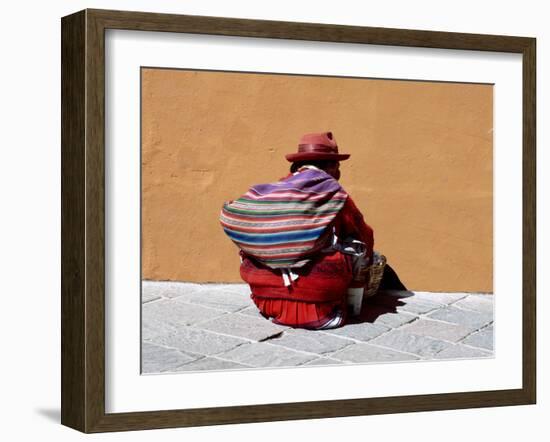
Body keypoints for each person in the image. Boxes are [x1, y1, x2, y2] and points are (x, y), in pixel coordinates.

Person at [220, 131, 405, 330]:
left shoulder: (275, 192)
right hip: (323, 310)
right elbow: (364, 236)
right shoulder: (334, 193)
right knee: (354, 248)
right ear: (331, 166)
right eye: (338, 166)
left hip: (267, 304)